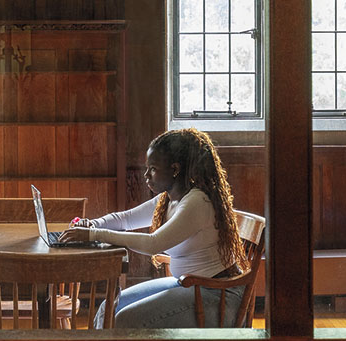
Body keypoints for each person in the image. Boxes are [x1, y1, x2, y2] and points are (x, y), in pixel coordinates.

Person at [58, 127, 249, 328]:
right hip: (188, 285)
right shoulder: (169, 199)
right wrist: (92, 224)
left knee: (126, 320)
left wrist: (94, 234)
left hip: (218, 296)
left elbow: (153, 244)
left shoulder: (197, 202)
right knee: (108, 309)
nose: (146, 175)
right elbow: (125, 220)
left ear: (175, 170)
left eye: (153, 169)